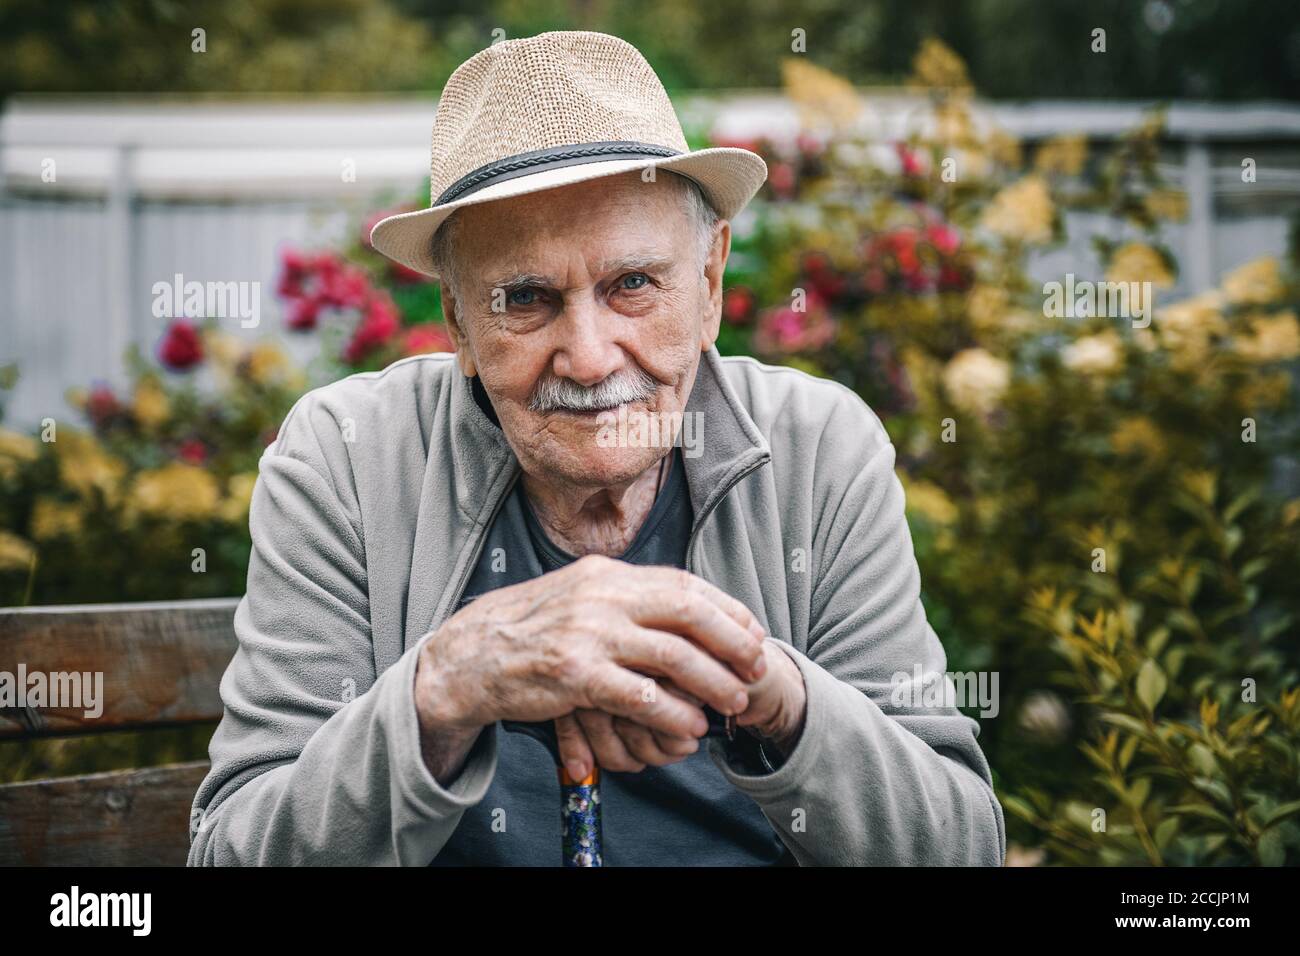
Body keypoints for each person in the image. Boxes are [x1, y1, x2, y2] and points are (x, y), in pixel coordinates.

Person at [187, 29, 1005, 866]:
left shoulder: (820, 451)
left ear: (711, 284)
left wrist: (780, 699)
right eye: (527, 298)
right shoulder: (346, 463)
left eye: (633, 285)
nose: (588, 357)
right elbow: (233, 852)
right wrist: (441, 690)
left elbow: (960, 845)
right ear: (460, 322)